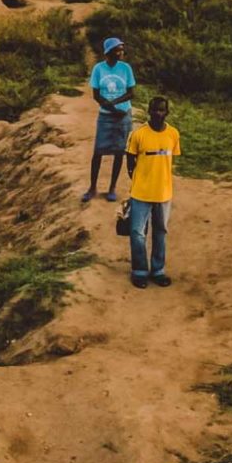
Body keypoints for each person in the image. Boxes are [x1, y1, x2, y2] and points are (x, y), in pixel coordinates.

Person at [124, 96, 181, 290]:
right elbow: (130, 160)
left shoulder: (173, 134)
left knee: (160, 232)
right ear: (149, 111)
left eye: (162, 110)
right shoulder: (138, 134)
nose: (158, 113)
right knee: (137, 233)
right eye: (155, 109)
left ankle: (158, 271)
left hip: (163, 193)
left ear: (167, 112)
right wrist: (139, 180)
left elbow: (170, 161)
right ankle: (139, 271)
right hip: (141, 193)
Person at [84, 37, 135, 203]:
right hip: (106, 116)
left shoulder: (126, 68)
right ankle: (92, 187)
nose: (121, 53)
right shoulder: (99, 69)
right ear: (109, 52)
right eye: (117, 50)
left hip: (123, 115)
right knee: (98, 152)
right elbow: (96, 95)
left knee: (119, 152)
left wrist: (115, 103)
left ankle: (112, 188)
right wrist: (112, 109)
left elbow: (131, 93)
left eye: (121, 49)